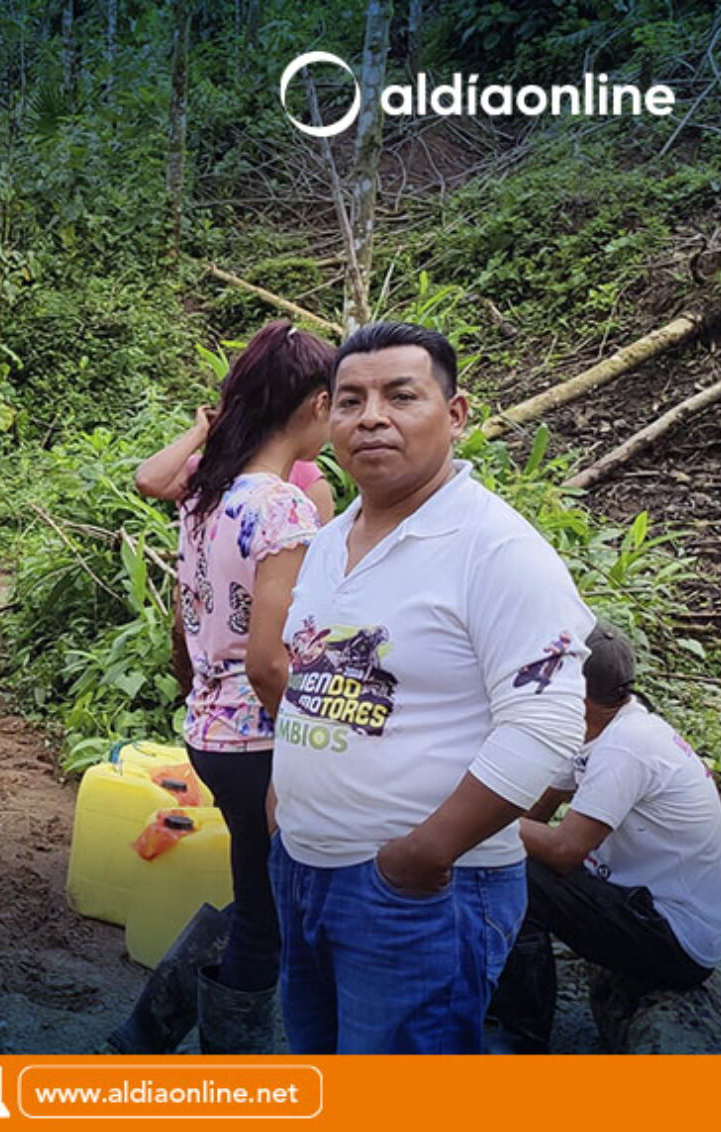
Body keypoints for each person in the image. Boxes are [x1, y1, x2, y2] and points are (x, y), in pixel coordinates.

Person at [269, 321, 591, 1054]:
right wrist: (282, 809)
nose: (371, 416)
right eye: (349, 401)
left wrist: (420, 857)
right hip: (304, 869)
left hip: (416, 895)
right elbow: (308, 673)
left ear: (456, 414)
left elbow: (544, 726)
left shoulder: (498, 550)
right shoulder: (330, 539)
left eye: (400, 395)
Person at [107, 322, 334, 1055]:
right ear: (313, 405)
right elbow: (272, 663)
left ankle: (144, 1035)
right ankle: (226, 1069)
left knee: (257, 897)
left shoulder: (210, 494)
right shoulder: (284, 509)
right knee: (271, 920)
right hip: (262, 735)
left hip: (210, 729)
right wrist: (311, 746)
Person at [489, 621, 721, 1053]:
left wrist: (483, 820)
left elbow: (563, 851)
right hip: (642, 904)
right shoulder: (600, 727)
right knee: (504, 860)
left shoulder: (626, 746)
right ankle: (497, 999)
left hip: (675, 938)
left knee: (522, 875)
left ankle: (521, 1039)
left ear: (577, 694)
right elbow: (538, 811)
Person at [136, 405, 337, 523]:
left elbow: (321, 560)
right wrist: (198, 433)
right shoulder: (206, 470)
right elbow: (148, 480)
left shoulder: (304, 475)